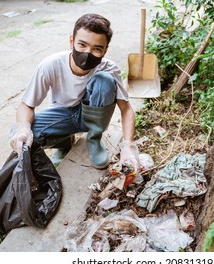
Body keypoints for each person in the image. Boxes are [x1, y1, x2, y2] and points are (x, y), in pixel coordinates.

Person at [9, 13, 140, 171]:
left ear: (105, 50)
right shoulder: (51, 65)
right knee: (23, 134)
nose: (87, 53)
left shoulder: (110, 68)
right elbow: (26, 105)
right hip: (63, 115)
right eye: (82, 45)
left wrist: (128, 146)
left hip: (92, 115)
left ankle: (94, 139)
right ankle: (63, 143)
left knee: (104, 79)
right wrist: (23, 127)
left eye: (97, 49)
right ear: (71, 41)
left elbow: (126, 109)